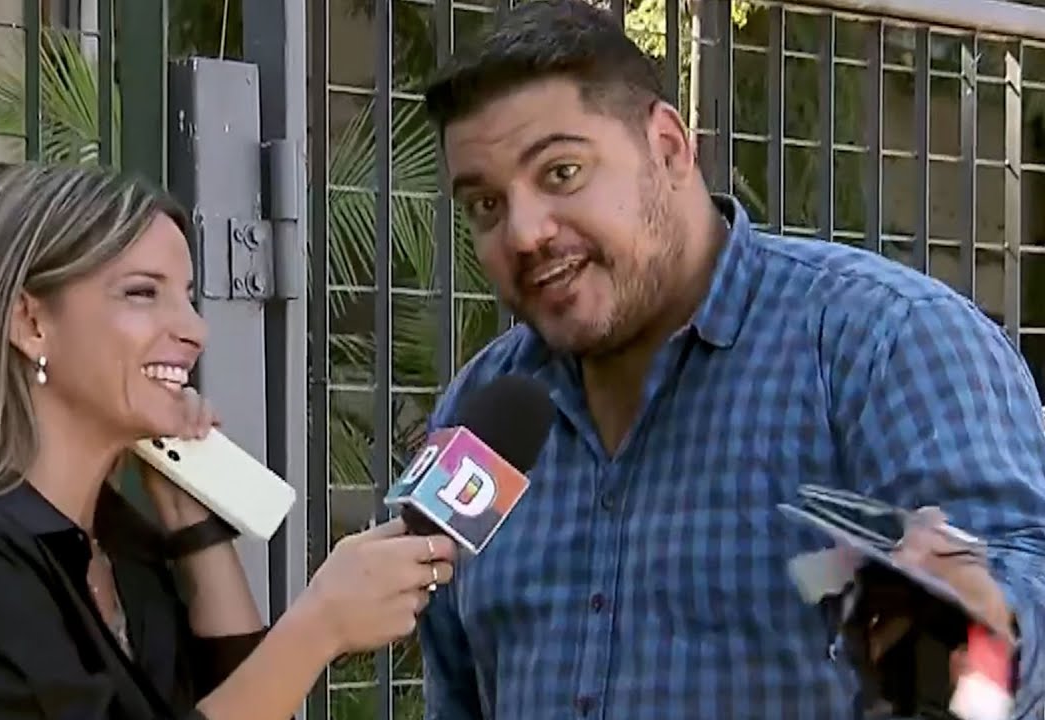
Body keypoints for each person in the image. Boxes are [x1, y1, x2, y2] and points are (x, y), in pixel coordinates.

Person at [416, 1, 1045, 718]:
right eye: (486, 206)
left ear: (670, 147)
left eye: (561, 173)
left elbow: (1020, 595)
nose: (524, 233)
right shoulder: (481, 410)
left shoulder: (886, 345)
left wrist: (979, 632)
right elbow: (456, 689)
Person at [0, 162, 458, 720]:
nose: (193, 329)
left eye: (186, 297)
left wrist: (194, 524)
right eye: (142, 293)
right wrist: (319, 626)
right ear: (30, 322)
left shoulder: (121, 554)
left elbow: (240, 700)